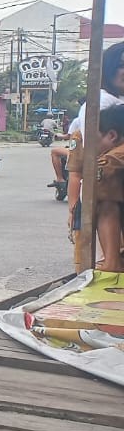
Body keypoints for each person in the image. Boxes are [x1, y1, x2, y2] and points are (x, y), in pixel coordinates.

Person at [66, 43, 124, 269]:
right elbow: (88, 153)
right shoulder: (101, 101)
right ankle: (110, 263)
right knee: (107, 204)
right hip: (107, 188)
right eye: (121, 66)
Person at [92, 105, 124, 273]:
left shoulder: (111, 160)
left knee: (105, 204)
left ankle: (112, 263)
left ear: (112, 135)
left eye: (94, 138)